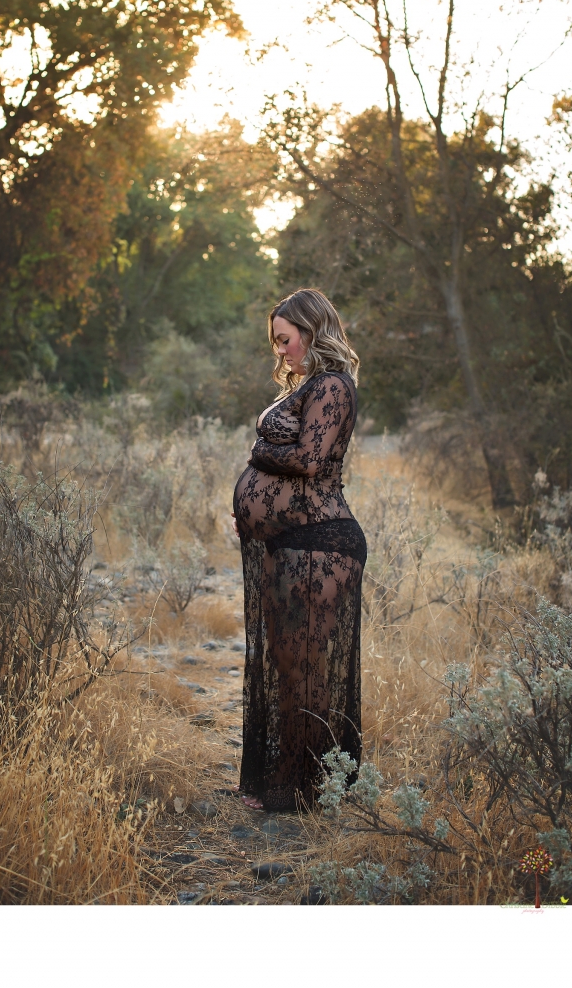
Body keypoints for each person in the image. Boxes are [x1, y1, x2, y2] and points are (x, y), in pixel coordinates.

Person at [231, 288, 367, 812]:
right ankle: (287, 782)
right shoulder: (313, 384)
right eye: (276, 343)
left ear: (311, 333)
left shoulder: (333, 385)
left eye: (285, 340)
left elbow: (310, 461)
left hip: (322, 543)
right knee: (291, 669)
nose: (281, 351)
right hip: (292, 543)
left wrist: (258, 449)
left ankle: (302, 791)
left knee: (307, 671)